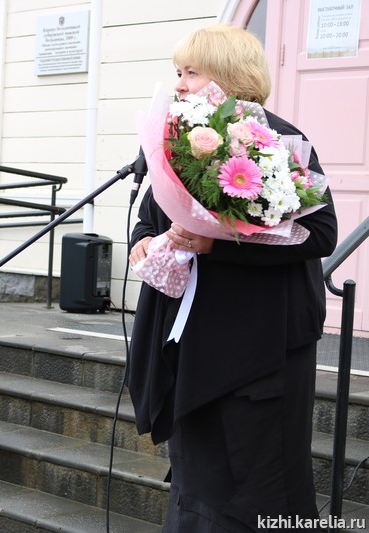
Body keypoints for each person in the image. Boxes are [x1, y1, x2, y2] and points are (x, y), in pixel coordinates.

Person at [127, 25, 338, 531]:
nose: (179, 84)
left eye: (191, 72)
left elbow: (321, 234)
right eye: (177, 72)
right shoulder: (182, 142)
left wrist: (217, 245)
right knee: (198, 479)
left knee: (255, 485)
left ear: (229, 76)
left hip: (258, 352)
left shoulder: (279, 142)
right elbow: (150, 216)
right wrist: (143, 238)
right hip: (192, 344)